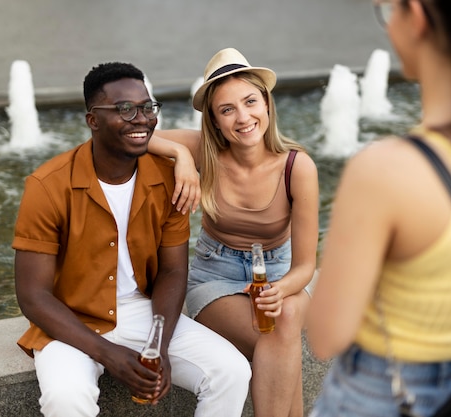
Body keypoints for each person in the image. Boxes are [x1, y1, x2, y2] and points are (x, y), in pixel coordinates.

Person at [307, 1, 451, 416]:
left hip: (380, 395)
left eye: (389, 9)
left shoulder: (385, 170)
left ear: (417, 17)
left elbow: (326, 336)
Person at [12, 61, 251, 417]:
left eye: (147, 107)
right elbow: (33, 296)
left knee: (231, 371)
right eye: (125, 109)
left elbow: (172, 272)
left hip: (145, 313)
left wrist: (160, 345)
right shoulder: (48, 186)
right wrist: (109, 354)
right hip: (71, 318)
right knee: (66, 398)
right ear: (93, 119)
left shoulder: (168, 178)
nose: (141, 119)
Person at [148, 48, 320, 417]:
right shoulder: (202, 151)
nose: (243, 118)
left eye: (250, 102)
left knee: (284, 319)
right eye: (227, 110)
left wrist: (280, 290)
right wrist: (180, 158)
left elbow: (306, 266)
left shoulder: (297, 167)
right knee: (276, 337)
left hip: (282, 274)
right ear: (214, 121)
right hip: (215, 275)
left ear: (267, 105)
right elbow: (137, 135)